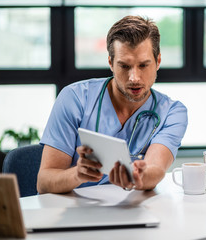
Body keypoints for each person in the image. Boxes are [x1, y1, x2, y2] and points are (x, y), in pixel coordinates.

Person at [37, 16, 188, 194]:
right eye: (124, 66)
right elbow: (44, 181)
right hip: (75, 211)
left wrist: (138, 176)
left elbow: (155, 170)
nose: (134, 78)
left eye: (143, 65)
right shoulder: (75, 98)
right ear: (110, 63)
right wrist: (77, 174)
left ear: (158, 62)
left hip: (131, 210)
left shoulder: (172, 112)